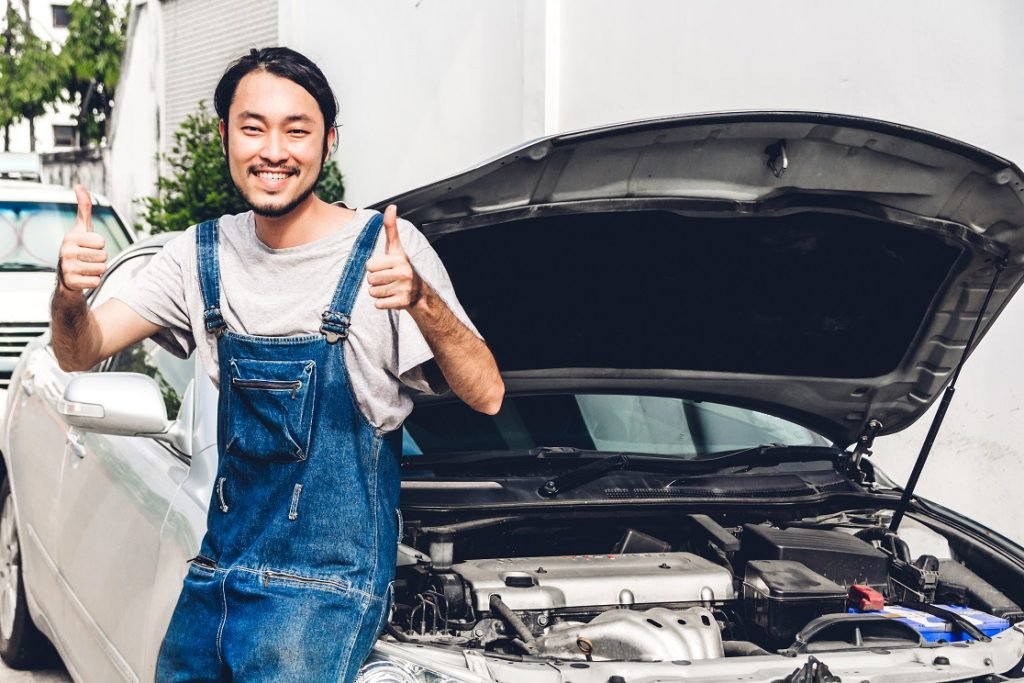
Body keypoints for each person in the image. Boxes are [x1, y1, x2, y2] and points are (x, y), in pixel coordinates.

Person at [50, 46, 504, 682]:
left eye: (297, 129)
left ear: (328, 142)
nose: (274, 150)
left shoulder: (384, 252)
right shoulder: (199, 255)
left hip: (326, 595)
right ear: (225, 136)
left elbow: (487, 395)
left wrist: (423, 301)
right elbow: (81, 349)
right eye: (253, 127)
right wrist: (71, 294)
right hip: (217, 579)